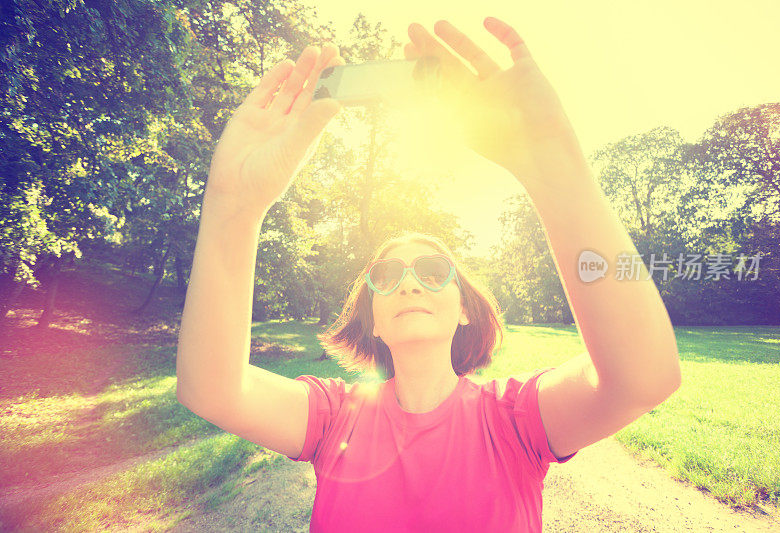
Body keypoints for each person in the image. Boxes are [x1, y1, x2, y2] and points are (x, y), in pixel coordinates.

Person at [176, 16, 682, 533]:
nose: (410, 282)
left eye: (434, 270)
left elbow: (643, 379)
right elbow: (211, 391)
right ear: (371, 319)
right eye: (388, 273)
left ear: (463, 307)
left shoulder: (514, 419)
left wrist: (551, 162)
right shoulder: (331, 418)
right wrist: (233, 206)